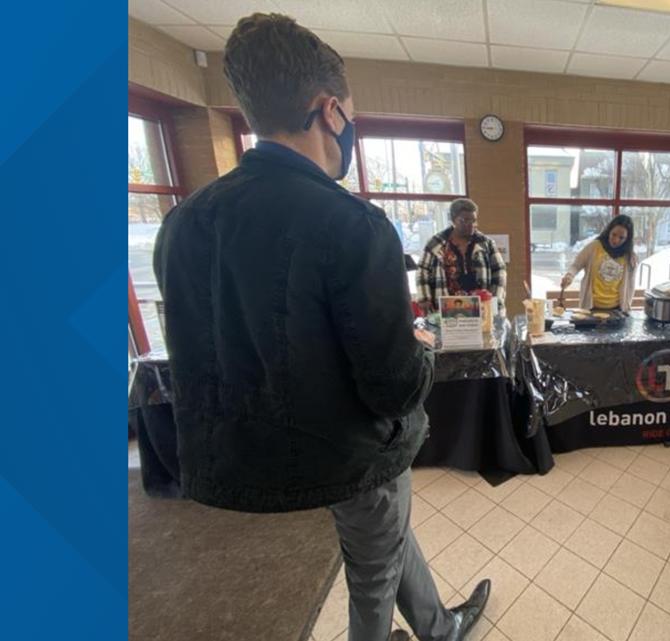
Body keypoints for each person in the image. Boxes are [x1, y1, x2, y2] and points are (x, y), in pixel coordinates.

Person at [153, 14, 489, 641]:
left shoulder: (184, 222)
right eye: (351, 115)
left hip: (235, 461)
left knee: (386, 534)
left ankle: (439, 626)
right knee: (371, 574)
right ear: (330, 110)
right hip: (341, 453)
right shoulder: (354, 225)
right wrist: (420, 347)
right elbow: (392, 389)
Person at [417, 198, 506, 312]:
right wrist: (424, 297)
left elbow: (499, 270)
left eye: (474, 220)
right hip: (446, 309)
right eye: (465, 220)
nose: (471, 225)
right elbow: (422, 270)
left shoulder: (485, 243)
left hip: (481, 308)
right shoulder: (436, 243)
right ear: (453, 220)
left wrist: (495, 300)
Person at [560, 215, 638, 311]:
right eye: (613, 234)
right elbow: (576, 265)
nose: (616, 240)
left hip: (616, 309)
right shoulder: (595, 247)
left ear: (627, 239)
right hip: (591, 307)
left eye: (621, 238)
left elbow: (630, 286)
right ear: (609, 231)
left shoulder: (629, 257)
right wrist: (570, 275)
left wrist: (626, 306)